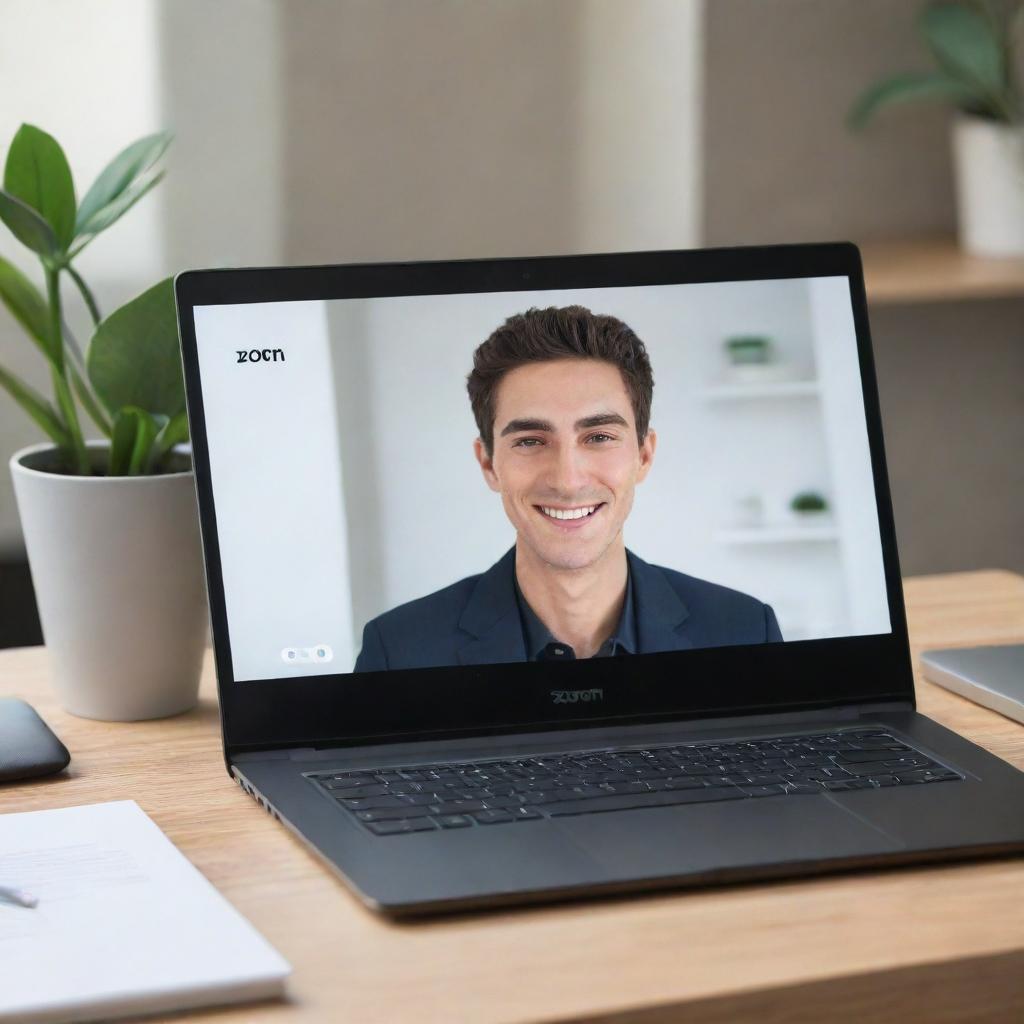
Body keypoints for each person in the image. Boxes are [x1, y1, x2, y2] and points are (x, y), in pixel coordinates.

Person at [354, 305, 781, 672]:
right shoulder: (398, 651)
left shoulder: (746, 631)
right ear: (488, 464)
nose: (568, 479)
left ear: (644, 456)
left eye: (598, 437)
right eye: (530, 441)